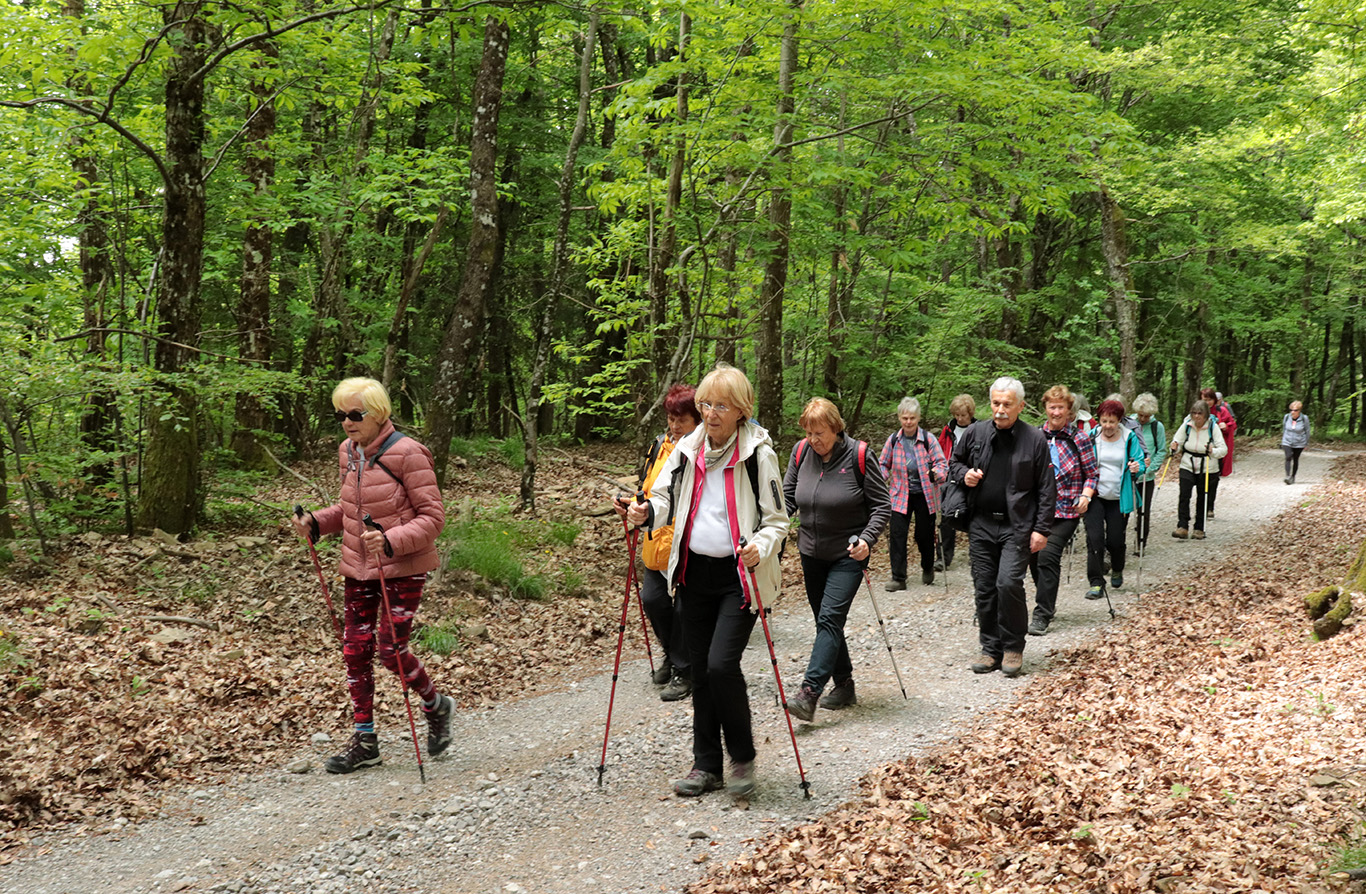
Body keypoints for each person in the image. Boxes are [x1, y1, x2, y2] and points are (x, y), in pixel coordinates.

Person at [624, 363, 788, 798]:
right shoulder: (687, 448)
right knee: (700, 671)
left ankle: (742, 757)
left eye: (722, 406)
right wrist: (645, 513)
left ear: (741, 411)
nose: (711, 413)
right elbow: (663, 498)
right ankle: (706, 765)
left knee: (720, 665)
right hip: (692, 573)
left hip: (739, 576)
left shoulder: (758, 455)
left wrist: (760, 546)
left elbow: (777, 520)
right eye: (707, 404)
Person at [291, 377, 453, 774]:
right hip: (358, 566)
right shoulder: (348, 451)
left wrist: (390, 540)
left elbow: (433, 518)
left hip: (402, 566)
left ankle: (435, 705)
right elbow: (349, 509)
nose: (347, 422)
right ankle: (365, 741)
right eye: (340, 415)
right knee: (354, 650)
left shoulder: (409, 453)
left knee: (389, 651)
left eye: (354, 414)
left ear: (378, 413)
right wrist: (316, 522)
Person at [783, 398, 892, 722]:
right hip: (810, 552)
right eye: (809, 433)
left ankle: (809, 692)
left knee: (830, 619)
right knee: (826, 622)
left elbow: (881, 505)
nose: (813, 440)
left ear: (835, 428)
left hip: (848, 553)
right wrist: (768, 528)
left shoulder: (859, 455)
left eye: (819, 433)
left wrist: (867, 539)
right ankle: (844, 685)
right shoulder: (800, 453)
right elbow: (787, 499)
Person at [950, 377, 1055, 678]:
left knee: (1008, 583)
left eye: (1007, 404)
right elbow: (954, 463)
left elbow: (1047, 488)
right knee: (984, 587)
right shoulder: (976, 432)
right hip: (981, 523)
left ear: (1020, 406)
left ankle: (1013, 647)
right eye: (996, 403)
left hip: (1017, 525)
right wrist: (965, 475)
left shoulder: (1034, 439)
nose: (1000, 409)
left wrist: (1041, 529)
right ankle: (990, 648)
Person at [627, 384, 701, 702]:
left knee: (684, 608)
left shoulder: (701, 452)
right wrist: (633, 507)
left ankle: (685, 670)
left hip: (687, 545)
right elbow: (647, 489)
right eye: (671, 418)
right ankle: (673, 656)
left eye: (682, 419)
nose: (674, 425)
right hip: (655, 540)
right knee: (654, 601)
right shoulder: (659, 445)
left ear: (697, 420)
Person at [1027, 386, 1098, 636]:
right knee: (1033, 557)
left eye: (1060, 408)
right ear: (1045, 409)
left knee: (1047, 556)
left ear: (1069, 411)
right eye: (1052, 407)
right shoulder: (1035, 436)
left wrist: (1086, 496)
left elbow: (1092, 474)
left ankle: (1042, 614)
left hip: (1067, 510)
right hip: (1038, 510)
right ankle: (1047, 598)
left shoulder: (1080, 438)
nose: (1056, 412)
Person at [881, 397, 947, 590]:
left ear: (918, 418)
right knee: (897, 535)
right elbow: (883, 464)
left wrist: (936, 473)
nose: (908, 422)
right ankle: (898, 578)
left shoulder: (928, 439)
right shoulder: (894, 440)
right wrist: (880, 478)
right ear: (899, 418)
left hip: (925, 494)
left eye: (912, 418)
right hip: (900, 493)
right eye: (905, 418)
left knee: (923, 535)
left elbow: (942, 464)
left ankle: (928, 566)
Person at [1082, 399, 1146, 597]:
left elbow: (1141, 462)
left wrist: (1137, 468)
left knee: (1115, 541)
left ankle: (1117, 567)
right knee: (1094, 539)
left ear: (1119, 420)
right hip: (1095, 495)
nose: (1108, 426)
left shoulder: (1129, 437)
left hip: (1119, 497)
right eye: (1104, 421)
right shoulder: (1092, 436)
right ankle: (1096, 582)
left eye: (1112, 421)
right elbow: (1083, 461)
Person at [1169, 400, 1227, 541]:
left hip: (1207, 466)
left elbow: (1223, 450)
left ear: (1206, 414)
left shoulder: (1213, 427)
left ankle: (1199, 528)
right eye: (1194, 413)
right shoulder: (1187, 425)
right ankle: (1182, 526)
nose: (1196, 416)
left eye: (1200, 413)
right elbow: (1177, 442)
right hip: (1187, 464)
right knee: (1184, 495)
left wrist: (1212, 451)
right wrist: (1174, 447)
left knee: (1202, 497)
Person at [935, 394, 976, 572]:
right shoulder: (948, 430)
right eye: (957, 415)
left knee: (974, 514)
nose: (959, 418)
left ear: (970, 414)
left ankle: (976, 554)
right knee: (947, 515)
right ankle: (943, 557)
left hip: (972, 474)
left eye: (963, 415)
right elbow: (939, 450)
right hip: (950, 476)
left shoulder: (978, 429)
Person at [1130, 392, 1168, 554]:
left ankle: (1140, 543)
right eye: (1141, 415)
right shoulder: (1129, 423)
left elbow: (1161, 450)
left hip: (1147, 477)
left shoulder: (1156, 427)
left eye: (1146, 416)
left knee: (1143, 511)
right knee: (1124, 511)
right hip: (1129, 476)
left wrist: (1151, 467)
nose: (1143, 419)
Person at [1200, 387, 1236, 518]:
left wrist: (1226, 426)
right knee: (1201, 479)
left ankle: (1210, 507)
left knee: (1213, 479)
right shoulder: (1198, 411)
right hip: (1200, 448)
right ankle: (1201, 507)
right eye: (1205, 400)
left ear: (1214, 400)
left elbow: (1232, 424)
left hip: (1217, 449)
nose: (1207, 402)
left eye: (1210, 399)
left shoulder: (1222, 411)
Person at [1281, 400, 1310, 484]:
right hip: (1287, 441)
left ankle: (1293, 476)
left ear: (1299, 410)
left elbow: (1307, 431)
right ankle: (1287, 476)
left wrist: (1306, 443)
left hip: (1299, 442)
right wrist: (1283, 440)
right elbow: (1284, 429)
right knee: (1288, 457)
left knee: (1295, 459)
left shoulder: (1304, 418)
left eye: (1295, 410)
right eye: (1291, 410)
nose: (1292, 412)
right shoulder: (1287, 417)